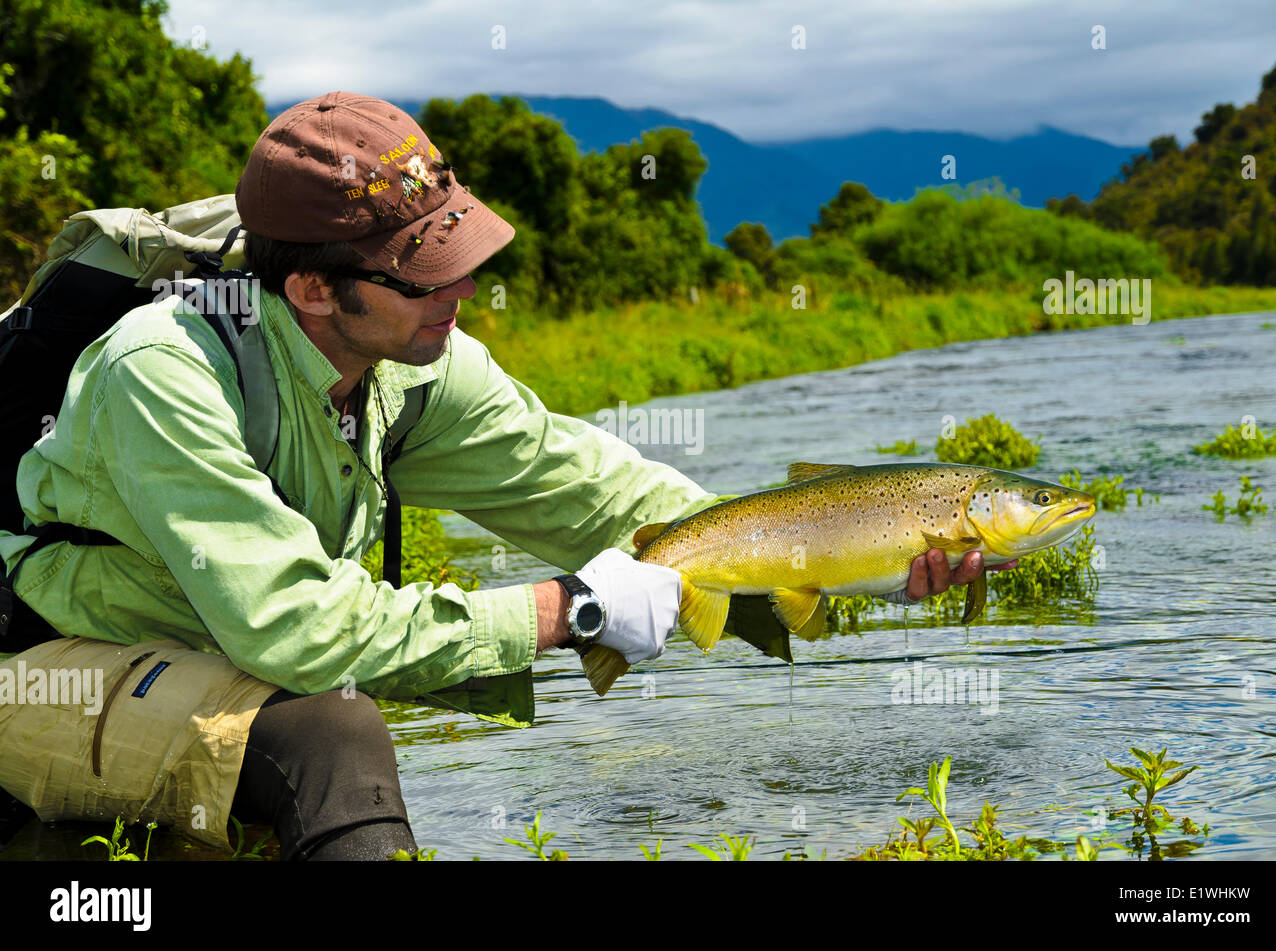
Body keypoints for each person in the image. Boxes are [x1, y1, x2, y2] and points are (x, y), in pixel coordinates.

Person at [0, 92, 1007, 860]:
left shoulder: (414, 359)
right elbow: (297, 632)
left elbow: (604, 496)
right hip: (48, 662)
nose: (463, 289)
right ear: (312, 287)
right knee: (331, 740)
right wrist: (566, 610)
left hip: (211, 660)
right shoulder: (162, 373)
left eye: (463, 254)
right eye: (424, 273)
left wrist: (838, 552)